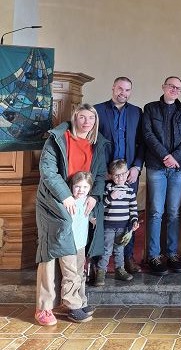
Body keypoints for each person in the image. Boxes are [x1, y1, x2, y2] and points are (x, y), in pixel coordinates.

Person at [35, 103, 107, 326]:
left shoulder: (97, 142)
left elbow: (100, 174)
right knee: (50, 253)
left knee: (77, 252)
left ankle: (72, 301)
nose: (87, 122)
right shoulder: (58, 138)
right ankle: (44, 307)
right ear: (74, 118)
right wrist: (65, 196)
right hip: (55, 202)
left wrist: (95, 196)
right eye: (82, 117)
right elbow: (48, 171)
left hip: (82, 203)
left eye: (91, 118)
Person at [143, 76, 181, 275]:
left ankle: (172, 253)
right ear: (163, 87)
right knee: (156, 212)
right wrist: (165, 156)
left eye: (178, 88)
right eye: (171, 86)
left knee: (174, 212)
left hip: (178, 168)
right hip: (157, 166)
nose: (174, 89)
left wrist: (175, 157)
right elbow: (148, 135)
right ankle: (154, 255)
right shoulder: (150, 108)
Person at [94, 76, 144, 274]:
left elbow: (142, 143)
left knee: (128, 215)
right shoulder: (98, 110)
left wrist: (137, 167)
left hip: (128, 174)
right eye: (120, 89)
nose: (123, 93)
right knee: (102, 214)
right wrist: (101, 171)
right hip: (105, 174)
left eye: (127, 90)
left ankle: (127, 258)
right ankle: (98, 261)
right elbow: (93, 144)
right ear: (113, 88)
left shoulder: (136, 112)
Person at [94, 159, 139, 286]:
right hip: (108, 226)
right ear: (111, 175)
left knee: (119, 249)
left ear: (127, 173)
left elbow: (133, 208)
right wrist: (110, 197)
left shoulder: (130, 190)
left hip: (123, 226)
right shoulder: (108, 188)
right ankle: (101, 272)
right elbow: (101, 206)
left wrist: (134, 220)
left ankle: (120, 270)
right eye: (117, 175)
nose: (120, 177)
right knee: (106, 250)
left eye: (123, 174)